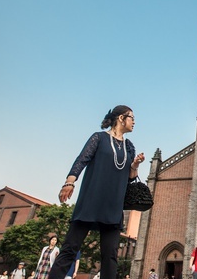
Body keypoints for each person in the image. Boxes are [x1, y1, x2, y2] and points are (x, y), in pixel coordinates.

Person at [47, 105, 145, 279]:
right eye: (132, 117)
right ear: (121, 118)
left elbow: (130, 177)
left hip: (114, 206)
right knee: (70, 249)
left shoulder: (129, 146)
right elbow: (81, 160)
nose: (134, 122)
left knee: (110, 256)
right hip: (91, 201)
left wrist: (135, 165)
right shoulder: (98, 138)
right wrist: (69, 182)